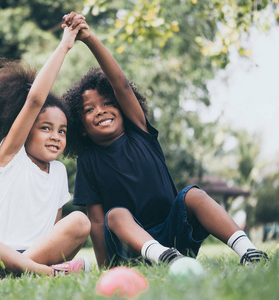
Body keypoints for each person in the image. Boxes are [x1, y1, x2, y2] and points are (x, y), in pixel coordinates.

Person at [62, 12, 269, 268]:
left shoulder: (140, 132)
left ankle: (248, 251)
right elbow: (95, 221)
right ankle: (162, 256)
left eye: (107, 103)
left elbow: (121, 85)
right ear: (80, 127)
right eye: (89, 109)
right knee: (115, 214)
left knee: (192, 194)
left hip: (175, 236)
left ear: (122, 108)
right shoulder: (88, 161)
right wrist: (105, 270)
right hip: (134, 250)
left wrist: (90, 39)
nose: (101, 110)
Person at [0, 15, 91, 282]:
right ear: (25, 132)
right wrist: (65, 46)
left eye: (62, 131)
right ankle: (45, 274)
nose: (56, 136)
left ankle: (4, 275)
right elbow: (35, 99)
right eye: (45, 128)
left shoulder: (58, 172)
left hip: (38, 252)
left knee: (80, 221)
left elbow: (54, 230)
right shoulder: (11, 155)